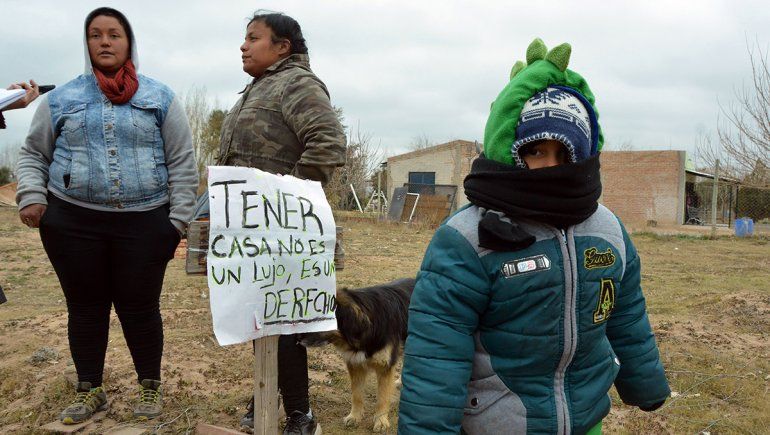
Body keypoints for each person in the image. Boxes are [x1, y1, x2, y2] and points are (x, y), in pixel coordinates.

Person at [397, 39, 670, 434]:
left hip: (585, 417)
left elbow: (625, 312)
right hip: (500, 422)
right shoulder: (466, 237)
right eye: (537, 152)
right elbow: (437, 350)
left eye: (564, 153)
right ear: (512, 149)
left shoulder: (607, 228)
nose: (550, 167)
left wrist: (644, 382)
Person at [15, 7, 197, 424]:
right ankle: (89, 389)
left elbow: (183, 162)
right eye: (95, 35)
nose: (105, 42)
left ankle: (150, 387)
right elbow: (33, 154)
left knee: (140, 308)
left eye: (114, 34)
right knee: (85, 308)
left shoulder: (160, 98)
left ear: (129, 41)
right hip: (73, 223)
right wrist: (31, 195)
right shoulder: (60, 99)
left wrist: (177, 221)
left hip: (146, 222)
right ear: (87, 43)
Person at [217, 11, 345, 435]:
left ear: (283, 47)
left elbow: (327, 143)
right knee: (261, 317)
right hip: (252, 233)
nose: (244, 45)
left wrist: (288, 202)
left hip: (284, 232)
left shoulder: (297, 84)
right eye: (245, 39)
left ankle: (299, 414)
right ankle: (264, 394)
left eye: (254, 38)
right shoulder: (257, 89)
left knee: (286, 322)